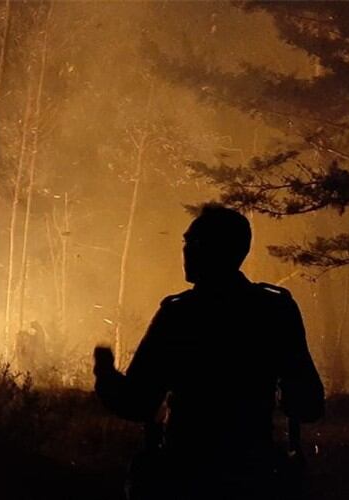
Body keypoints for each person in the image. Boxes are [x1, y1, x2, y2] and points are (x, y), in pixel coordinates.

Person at [93, 204, 324, 500]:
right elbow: (309, 404)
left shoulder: (179, 315)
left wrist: (104, 373)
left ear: (219, 249)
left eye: (194, 242)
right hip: (253, 474)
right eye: (186, 243)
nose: (186, 251)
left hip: (186, 476)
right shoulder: (275, 309)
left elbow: (137, 403)